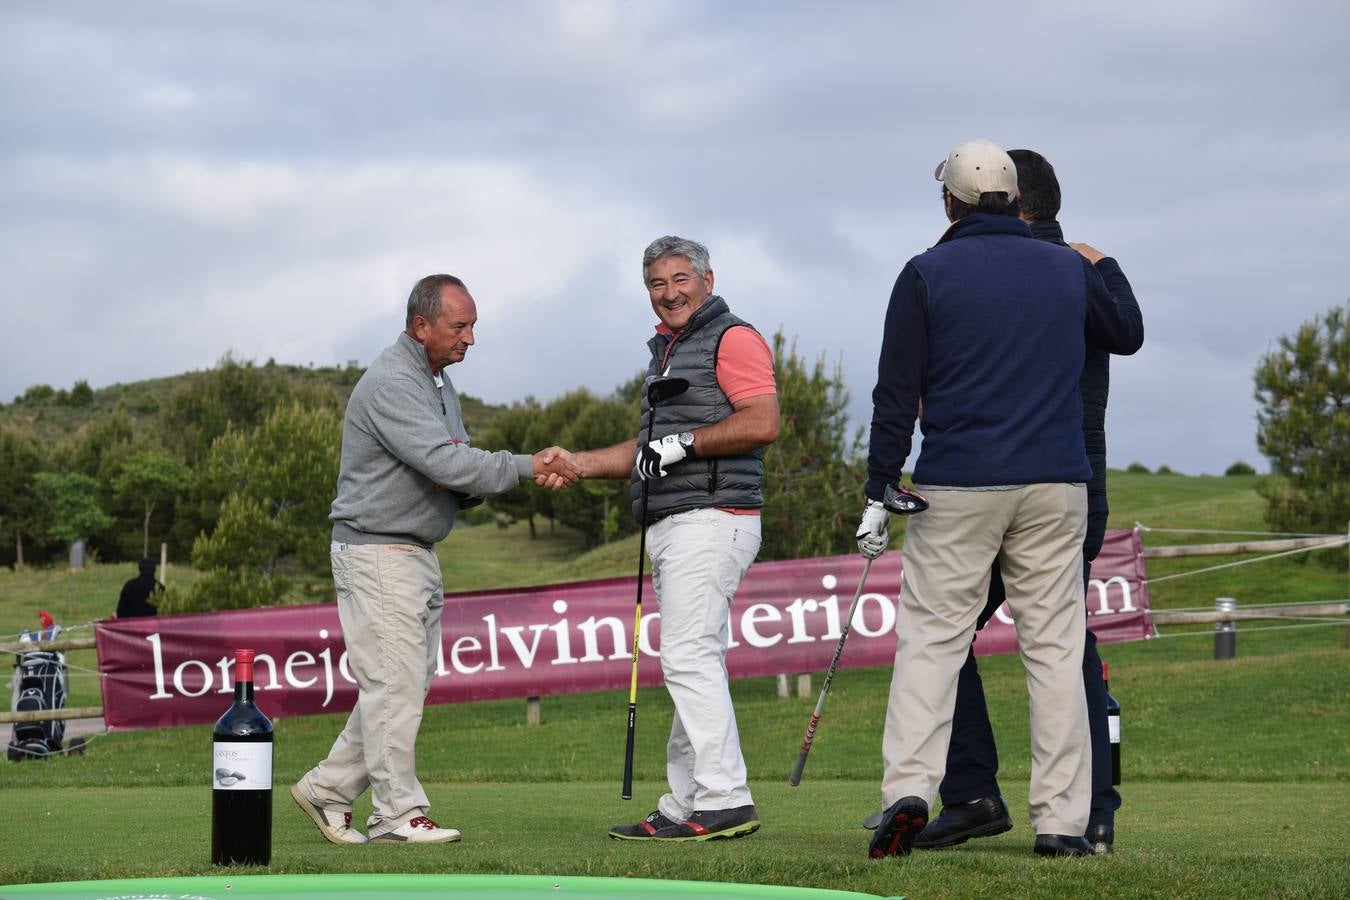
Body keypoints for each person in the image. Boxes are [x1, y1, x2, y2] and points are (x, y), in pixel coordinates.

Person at [857, 139, 1142, 858]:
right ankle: (1063, 823)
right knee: (1053, 652)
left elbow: (896, 392)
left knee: (932, 643)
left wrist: (879, 483)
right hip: (1056, 484)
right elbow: (1123, 334)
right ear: (1015, 200)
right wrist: (1099, 261)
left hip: (960, 482)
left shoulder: (925, 272)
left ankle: (911, 792)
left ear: (949, 201)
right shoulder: (1064, 268)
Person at [291, 273, 578, 846]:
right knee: (392, 686)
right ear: (421, 326)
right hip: (378, 550)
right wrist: (526, 465)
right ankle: (397, 815)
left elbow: (457, 466)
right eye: (459, 326)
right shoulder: (394, 381)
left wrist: (476, 475)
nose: (470, 337)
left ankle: (328, 788)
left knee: (401, 684)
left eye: (473, 325)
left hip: (412, 550)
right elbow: (447, 464)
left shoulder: (439, 382)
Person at [569, 236, 779, 842]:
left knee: (687, 656)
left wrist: (685, 444)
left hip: (712, 517)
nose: (670, 293)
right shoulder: (668, 352)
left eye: (681, 279)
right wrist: (577, 463)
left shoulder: (730, 337)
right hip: (680, 520)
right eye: (657, 285)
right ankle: (686, 799)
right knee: (697, 658)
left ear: (708, 281)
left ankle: (725, 798)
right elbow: (645, 454)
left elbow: (762, 421)